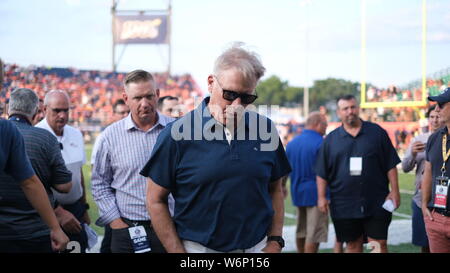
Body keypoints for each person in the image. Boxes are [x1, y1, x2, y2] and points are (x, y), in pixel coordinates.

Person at [141, 44, 291, 253]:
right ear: (211, 83)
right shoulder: (176, 135)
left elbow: (275, 188)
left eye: (247, 98)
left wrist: (275, 241)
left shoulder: (265, 129)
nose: (237, 105)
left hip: (257, 247)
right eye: (229, 94)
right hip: (199, 249)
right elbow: (155, 199)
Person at [91, 69, 174, 253]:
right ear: (126, 98)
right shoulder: (110, 137)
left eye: (149, 96)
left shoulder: (176, 130)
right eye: (137, 98)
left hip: (171, 229)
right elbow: (99, 184)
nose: (144, 103)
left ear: (157, 95)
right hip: (127, 230)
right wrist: (116, 222)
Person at [316, 94, 401, 253]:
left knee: (378, 243)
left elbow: (390, 164)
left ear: (358, 108)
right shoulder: (331, 140)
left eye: (353, 107)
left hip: (376, 200)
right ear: (339, 113)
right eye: (345, 109)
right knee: (353, 244)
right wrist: (321, 197)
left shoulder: (377, 133)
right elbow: (321, 172)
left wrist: (395, 191)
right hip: (343, 203)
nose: (350, 111)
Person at [0, 58, 68, 252]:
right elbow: (33, 183)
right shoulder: (42, 137)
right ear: (38, 112)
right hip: (30, 231)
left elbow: (30, 181)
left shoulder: (7, 129)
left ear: (7, 109)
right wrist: (55, 227)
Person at [36, 90, 89, 253]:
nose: (62, 115)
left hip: (76, 210)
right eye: (57, 110)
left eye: (66, 110)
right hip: (48, 215)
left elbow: (78, 173)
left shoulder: (75, 134)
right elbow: (35, 183)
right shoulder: (36, 135)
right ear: (45, 109)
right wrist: (57, 212)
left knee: (77, 249)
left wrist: (84, 207)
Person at [286, 112, 329, 253]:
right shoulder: (321, 143)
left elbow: (283, 170)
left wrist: (282, 187)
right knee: (314, 234)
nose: (326, 127)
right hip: (317, 194)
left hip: (297, 192)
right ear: (317, 124)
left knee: (301, 230)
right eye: (325, 124)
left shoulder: (292, 143)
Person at [402, 105, 442, 253]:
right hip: (420, 199)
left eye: (437, 116)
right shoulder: (419, 139)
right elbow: (405, 168)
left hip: (443, 198)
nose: (435, 120)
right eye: (431, 117)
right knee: (424, 244)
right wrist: (412, 153)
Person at [422, 87, 450, 252]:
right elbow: (429, 171)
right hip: (436, 218)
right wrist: (424, 205)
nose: (437, 108)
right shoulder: (435, 138)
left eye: (441, 104)